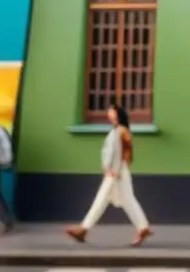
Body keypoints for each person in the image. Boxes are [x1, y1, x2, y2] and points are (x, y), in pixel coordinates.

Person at [65, 103, 153, 247]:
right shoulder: (116, 130)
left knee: (102, 199)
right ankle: (143, 227)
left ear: (118, 114)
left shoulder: (121, 130)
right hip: (117, 171)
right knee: (126, 200)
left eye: (111, 111)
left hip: (117, 171)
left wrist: (117, 167)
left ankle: (84, 229)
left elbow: (125, 148)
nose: (109, 113)